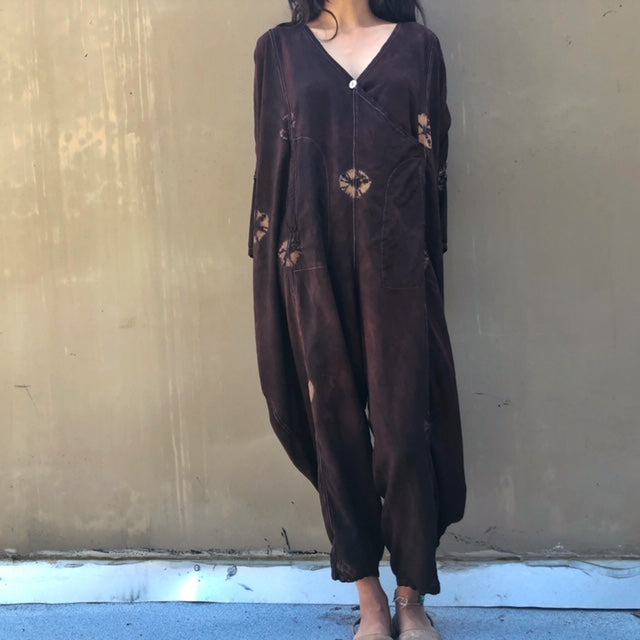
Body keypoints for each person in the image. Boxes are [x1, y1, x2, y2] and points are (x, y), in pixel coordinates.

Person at [248, 1, 465, 638]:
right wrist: (270, 272)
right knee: (333, 426)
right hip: (309, 259)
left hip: (397, 262)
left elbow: (435, 160)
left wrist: (428, 258)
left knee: (406, 430)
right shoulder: (279, 48)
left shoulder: (418, 46)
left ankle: (411, 597)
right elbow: (269, 163)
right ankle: (370, 600)